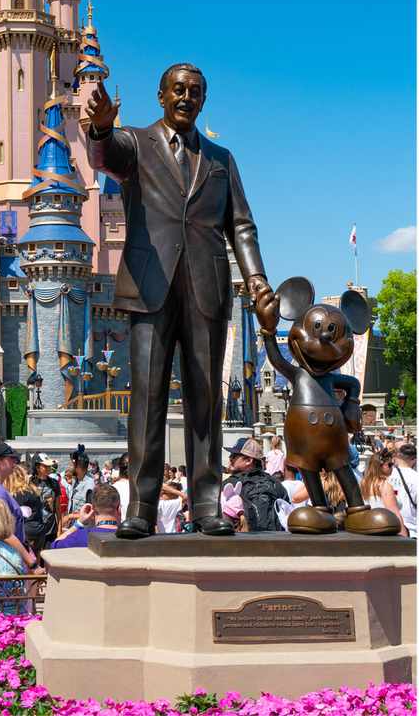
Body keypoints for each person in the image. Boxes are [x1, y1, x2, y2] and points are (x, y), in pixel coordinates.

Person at [84, 63, 279, 537]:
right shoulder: (136, 143)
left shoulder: (220, 159)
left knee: (205, 398)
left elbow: (241, 225)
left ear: (203, 99)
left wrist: (256, 279)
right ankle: (142, 508)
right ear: (160, 96)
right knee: (146, 398)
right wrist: (102, 127)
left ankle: (208, 503)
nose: (186, 97)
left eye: (195, 91)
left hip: (207, 287)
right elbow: (104, 155)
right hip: (151, 286)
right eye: (178, 90)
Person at [0, 441, 38, 569]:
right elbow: (3, 533)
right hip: (3, 560)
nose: (15, 462)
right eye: (11, 459)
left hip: (5, 557)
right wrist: (31, 563)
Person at [223, 438, 288, 533]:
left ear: (248, 460)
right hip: (275, 541)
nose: (230, 459)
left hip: (240, 542)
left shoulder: (230, 484)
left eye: (234, 456)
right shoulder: (275, 484)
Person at [52, 485, 122, 549]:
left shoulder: (80, 537)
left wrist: (79, 523)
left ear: (93, 510)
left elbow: (55, 546)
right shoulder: (130, 538)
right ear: (119, 509)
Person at [359, 449, 408, 537]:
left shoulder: (362, 484)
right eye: (390, 465)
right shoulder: (384, 485)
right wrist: (404, 536)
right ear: (380, 466)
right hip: (384, 532)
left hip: (366, 530)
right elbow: (394, 513)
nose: (392, 467)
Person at [4, 463, 49, 557]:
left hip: (25, 532)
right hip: (39, 530)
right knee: (36, 558)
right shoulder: (33, 490)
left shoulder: (17, 494)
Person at [60, 451, 95, 533]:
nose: (68, 467)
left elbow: (91, 513)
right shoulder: (75, 480)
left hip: (84, 529)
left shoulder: (89, 486)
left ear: (78, 467)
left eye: (71, 464)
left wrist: (70, 516)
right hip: (74, 527)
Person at [391, 442, 419, 538]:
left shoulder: (386, 475)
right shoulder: (416, 478)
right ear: (413, 459)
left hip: (389, 526)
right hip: (410, 530)